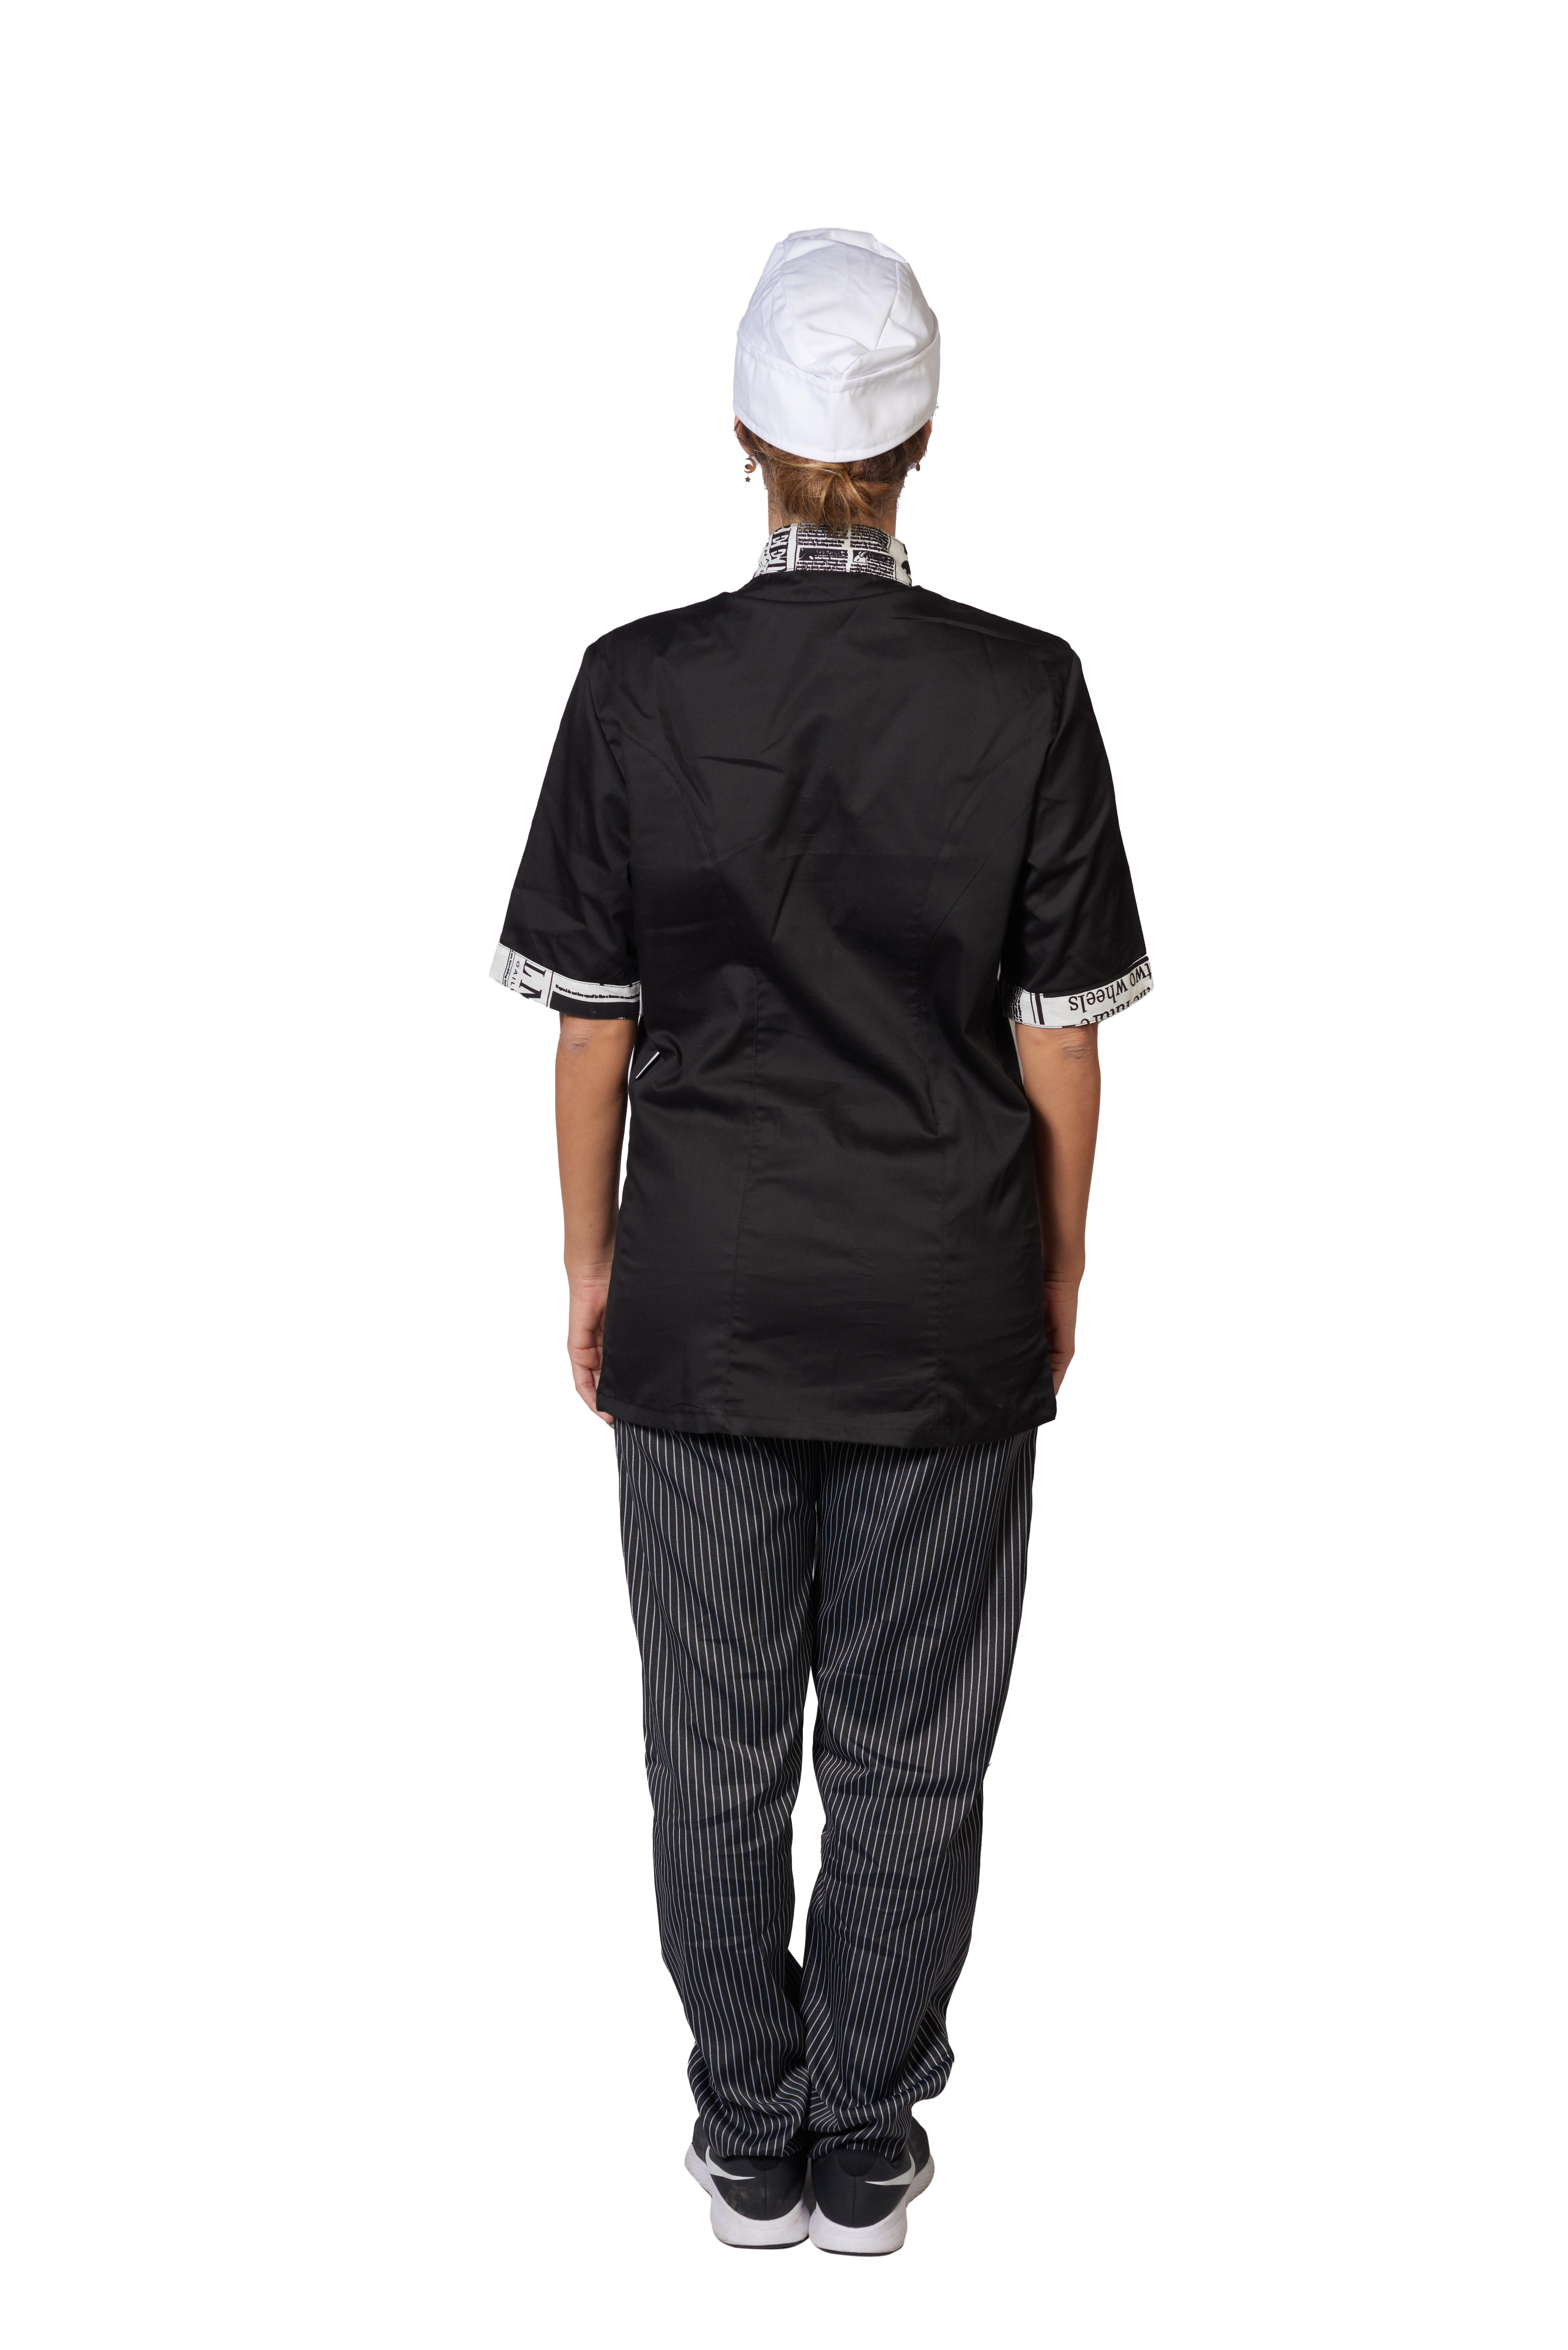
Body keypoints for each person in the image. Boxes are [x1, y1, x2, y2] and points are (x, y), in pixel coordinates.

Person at [491, 226, 1151, 2255]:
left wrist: (593, 1265)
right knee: (913, 1752)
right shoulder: (1027, 693)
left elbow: (593, 1033)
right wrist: (1055, 1271)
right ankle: (863, 2137)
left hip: (703, 1296)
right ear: (923, 438)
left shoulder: (638, 687)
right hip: (946, 1299)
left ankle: (745, 2126)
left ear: (745, 436)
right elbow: (1062, 1045)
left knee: (711, 1754)